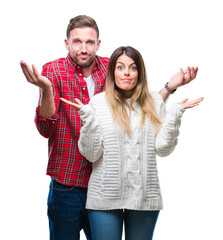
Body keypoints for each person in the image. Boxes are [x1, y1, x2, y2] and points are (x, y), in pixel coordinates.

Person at [20, 15, 199, 240]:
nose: (83, 48)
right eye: (77, 42)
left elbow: (139, 107)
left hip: (108, 183)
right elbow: (46, 128)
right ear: (67, 43)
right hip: (69, 182)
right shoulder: (53, 71)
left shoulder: (111, 67)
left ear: (98, 44)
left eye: (89, 42)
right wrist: (46, 89)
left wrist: (168, 89)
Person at [60, 46, 203, 240]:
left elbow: (162, 148)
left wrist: (175, 114)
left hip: (145, 195)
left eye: (133, 67)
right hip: (104, 196)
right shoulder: (98, 102)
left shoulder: (153, 101)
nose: (126, 72)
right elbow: (91, 154)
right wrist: (88, 118)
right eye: (120, 67)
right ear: (113, 72)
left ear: (139, 73)